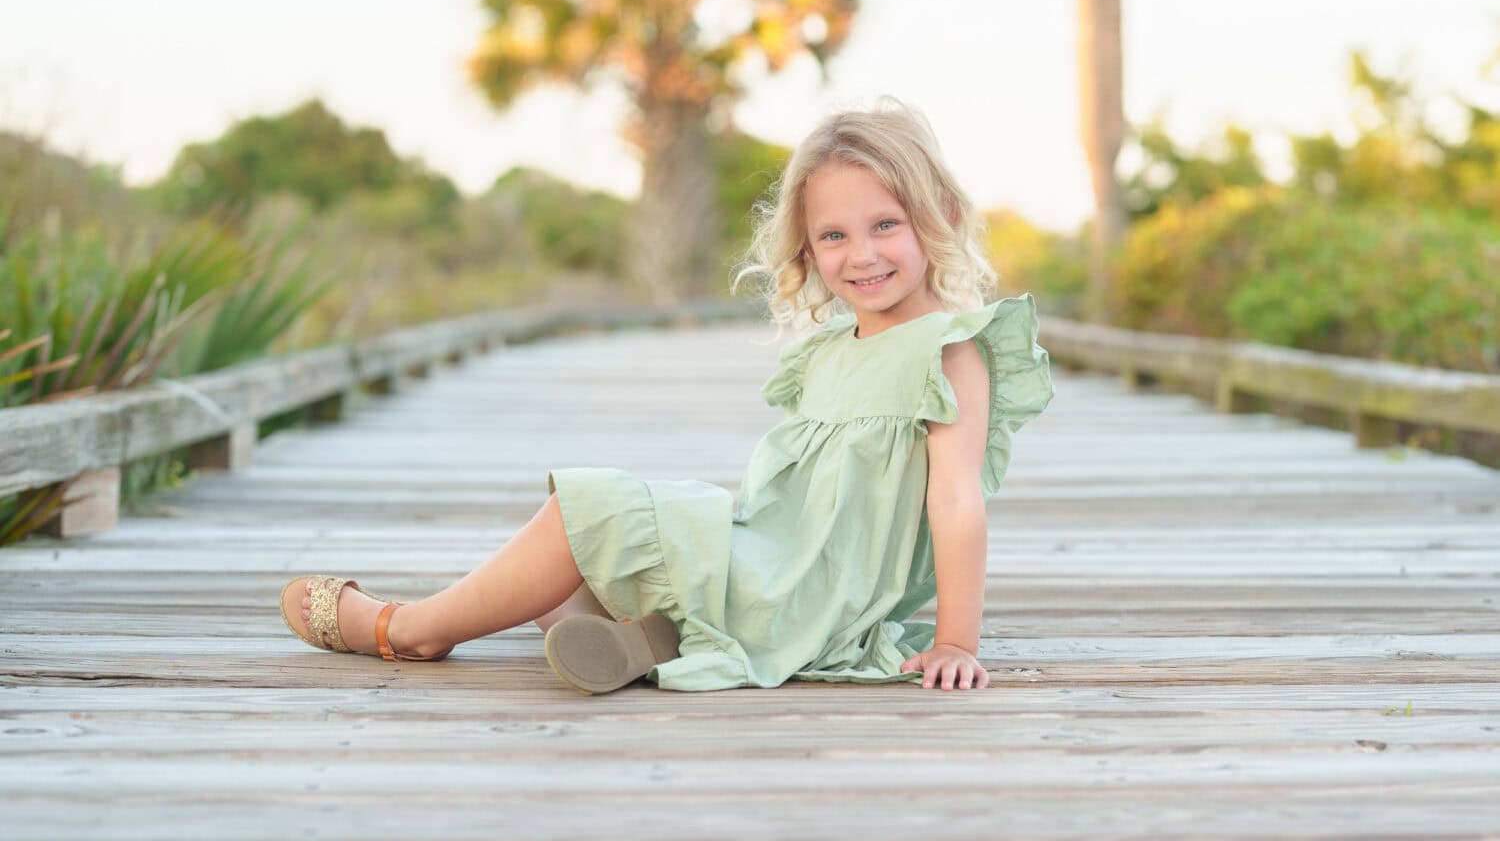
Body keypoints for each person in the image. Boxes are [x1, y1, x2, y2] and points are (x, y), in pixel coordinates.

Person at [280, 97, 1053, 693]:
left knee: (595, 510)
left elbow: (954, 504)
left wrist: (955, 639)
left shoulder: (949, 350)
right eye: (834, 236)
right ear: (807, 248)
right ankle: (641, 641)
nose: (862, 255)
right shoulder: (831, 351)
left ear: (938, 215)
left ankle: (409, 628)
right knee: (594, 545)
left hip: (804, 594)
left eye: (886, 224)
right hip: (772, 562)